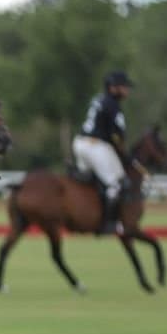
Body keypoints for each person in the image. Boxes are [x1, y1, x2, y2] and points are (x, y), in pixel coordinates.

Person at [72, 69, 134, 234]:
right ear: (113, 88)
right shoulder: (113, 105)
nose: (127, 90)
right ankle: (109, 223)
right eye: (124, 86)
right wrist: (126, 156)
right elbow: (117, 135)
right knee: (116, 183)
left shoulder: (98, 99)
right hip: (96, 146)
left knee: (93, 182)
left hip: (79, 143)